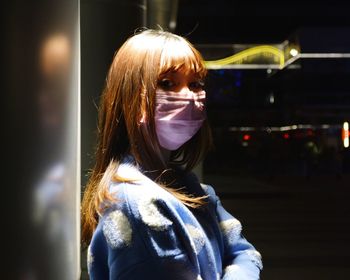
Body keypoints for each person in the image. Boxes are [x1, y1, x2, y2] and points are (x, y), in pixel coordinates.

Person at [81, 28, 263, 280]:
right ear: (131, 95)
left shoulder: (185, 184)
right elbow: (241, 257)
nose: (189, 96)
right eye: (167, 83)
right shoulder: (137, 205)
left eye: (196, 83)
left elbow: (245, 253)